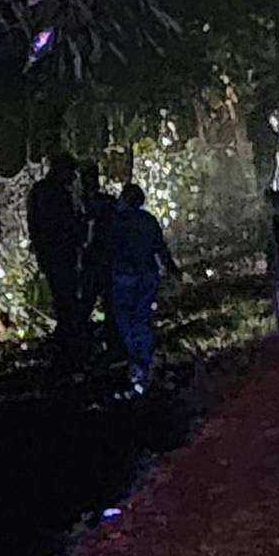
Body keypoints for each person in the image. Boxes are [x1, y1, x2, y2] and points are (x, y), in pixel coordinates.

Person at [108, 183, 180, 394]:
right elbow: (161, 248)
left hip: (124, 277)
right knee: (141, 318)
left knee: (125, 320)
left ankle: (136, 362)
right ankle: (143, 362)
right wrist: (172, 270)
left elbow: (108, 250)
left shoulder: (117, 222)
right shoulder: (148, 220)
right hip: (147, 276)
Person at [27, 153, 82, 368]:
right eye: (71, 173)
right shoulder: (56, 193)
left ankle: (65, 344)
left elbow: (33, 225)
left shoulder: (40, 191)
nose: (73, 177)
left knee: (63, 298)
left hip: (51, 254)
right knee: (66, 298)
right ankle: (67, 347)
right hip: (60, 253)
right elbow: (66, 225)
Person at [77, 161, 120, 355]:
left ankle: (109, 343)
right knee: (88, 303)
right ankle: (84, 344)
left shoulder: (104, 203)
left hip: (101, 258)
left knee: (104, 302)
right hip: (92, 260)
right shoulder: (78, 204)